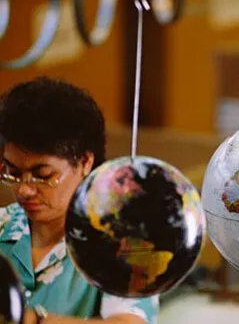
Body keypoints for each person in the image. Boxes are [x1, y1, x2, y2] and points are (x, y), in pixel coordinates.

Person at [0, 77, 158, 323]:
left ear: (85, 162)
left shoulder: (122, 244)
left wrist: (30, 320)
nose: (24, 190)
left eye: (43, 176)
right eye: (13, 173)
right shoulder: (3, 227)